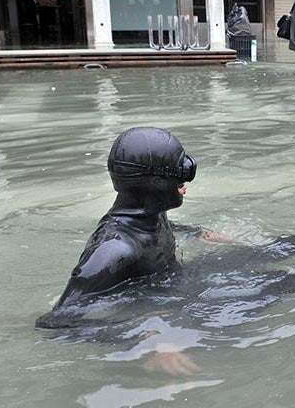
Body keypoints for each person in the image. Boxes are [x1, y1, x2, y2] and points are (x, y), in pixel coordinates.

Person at [36, 126, 197, 324]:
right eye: (180, 175)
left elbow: (160, 228)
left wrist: (198, 233)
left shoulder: (152, 213)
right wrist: (138, 334)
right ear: (155, 183)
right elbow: (54, 323)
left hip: (172, 291)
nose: (185, 182)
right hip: (153, 309)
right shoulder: (114, 251)